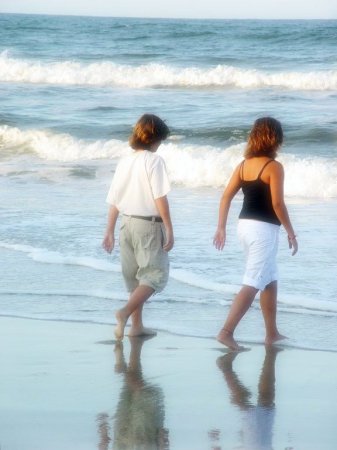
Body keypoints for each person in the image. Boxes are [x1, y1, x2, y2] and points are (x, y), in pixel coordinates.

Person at [213, 117, 298, 350]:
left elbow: (226, 196)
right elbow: (278, 204)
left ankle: (271, 333)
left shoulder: (243, 165)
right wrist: (291, 232)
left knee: (269, 279)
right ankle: (226, 331)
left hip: (245, 227)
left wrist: (221, 227)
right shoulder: (273, 167)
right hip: (264, 231)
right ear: (275, 138)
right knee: (253, 280)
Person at [102, 114, 174, 340]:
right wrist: (170, 229)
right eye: (160, 141)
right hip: (148, 226)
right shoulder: (154, 161)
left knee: (134, 279)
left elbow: (114, 199)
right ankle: (124, 313)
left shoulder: (125, 161)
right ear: (155, 139)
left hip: (126, 224)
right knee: (154, 276)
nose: (159, 145)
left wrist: (109, 231)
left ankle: (137, 326)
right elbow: (160, 197)